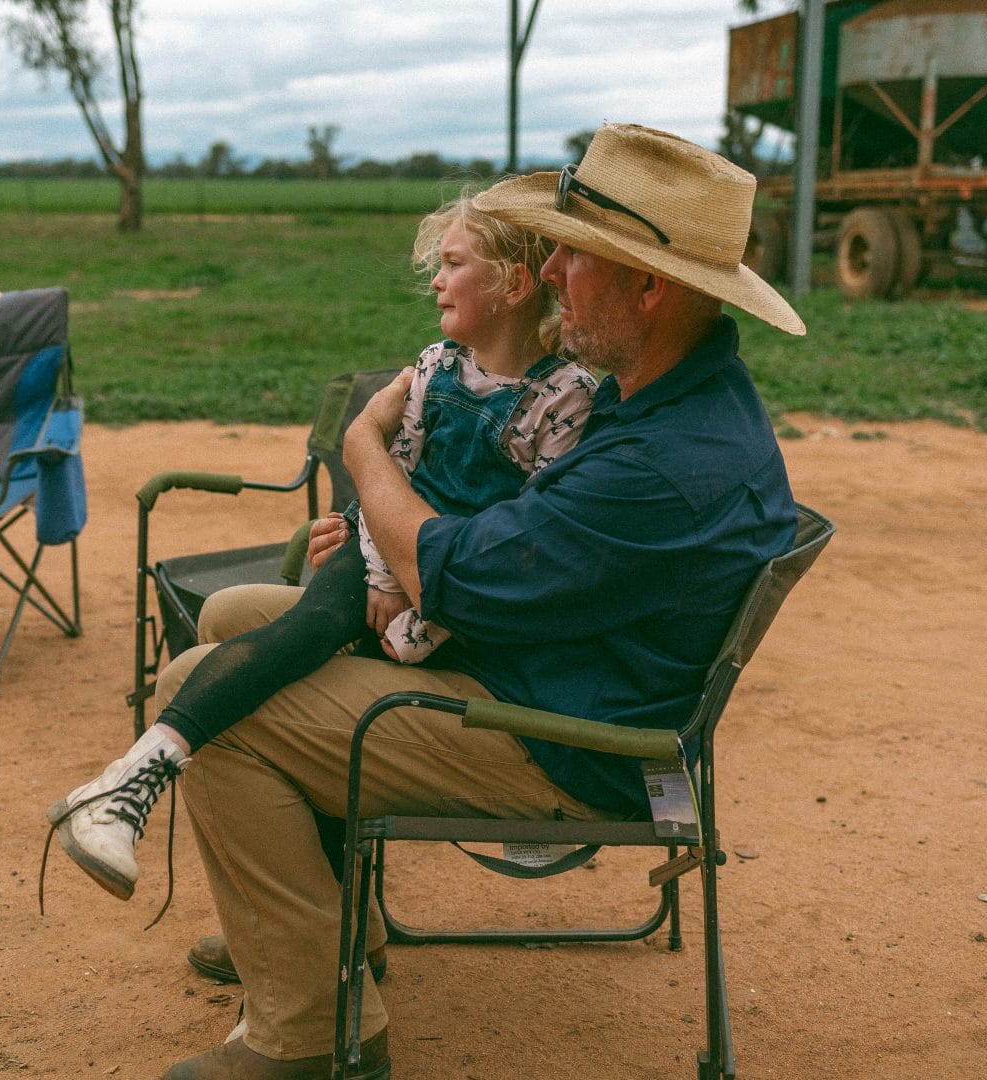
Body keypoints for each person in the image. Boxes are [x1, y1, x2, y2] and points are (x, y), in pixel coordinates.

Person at [77, 123, 807, 1080]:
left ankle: (311, 1031)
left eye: (570, 255)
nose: (548, 271)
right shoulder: (665, 396)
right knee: (231, 621)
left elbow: (448, 573)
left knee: (210, 698)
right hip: (558, 667)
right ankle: (332, 923)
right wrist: (382, 538)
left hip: (570, 739)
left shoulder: (662, 464)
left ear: (649, 286)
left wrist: (367, 459)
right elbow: (502, 539)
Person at [45, 196, 597, 904]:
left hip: (461, 595)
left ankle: (330, 934)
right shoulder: (433, 369)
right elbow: (391, 469)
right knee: (313, 626)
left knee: (312, 704)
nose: (435, 280)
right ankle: (134, 780)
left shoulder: (564, 400)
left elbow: (526, 532)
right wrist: (371, 552)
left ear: (514, 286)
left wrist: (417, 589)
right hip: (383, 551)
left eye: (453, 265)